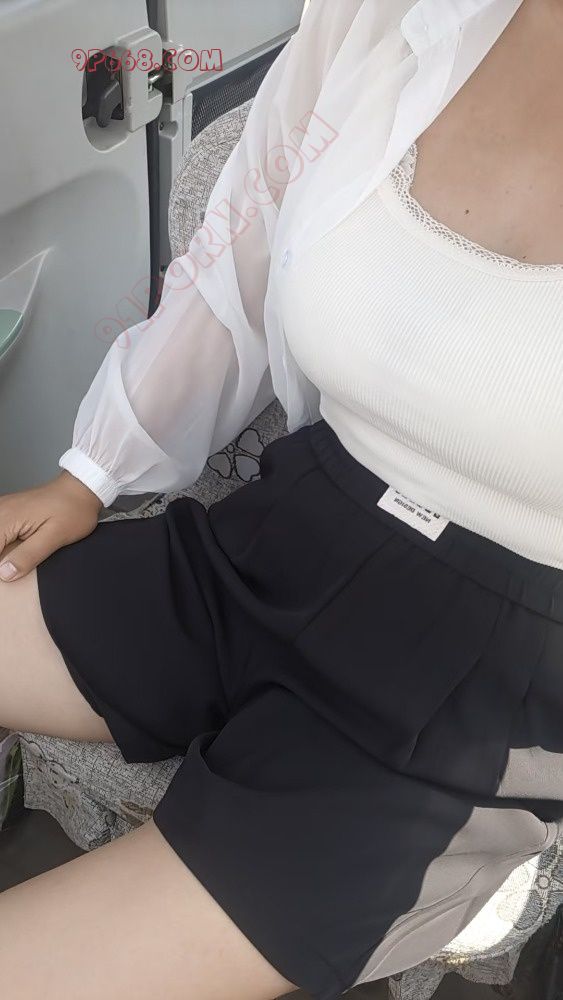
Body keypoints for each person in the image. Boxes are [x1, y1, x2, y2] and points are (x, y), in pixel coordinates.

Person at [1, 1, 562, 997]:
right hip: (289, 531)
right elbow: (241, 247)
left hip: (491, 693)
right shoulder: (386, 17)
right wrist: (93, 470)